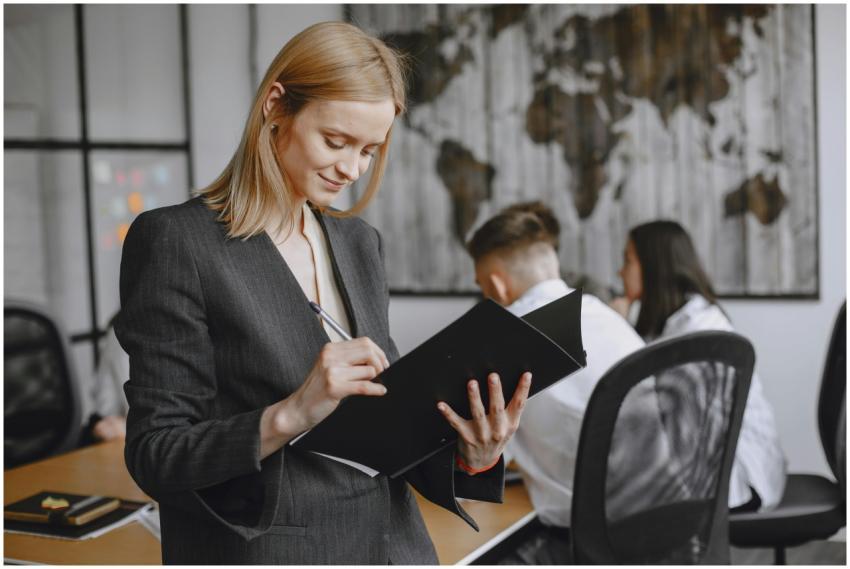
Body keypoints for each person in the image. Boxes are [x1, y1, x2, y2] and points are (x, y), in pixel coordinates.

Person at [115, 22, 532, 564]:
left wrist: (471, 455)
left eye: (369, 150)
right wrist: (292, 413)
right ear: (276, 106)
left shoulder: (359, 243)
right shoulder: (177, 241)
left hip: (394, 546)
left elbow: (390, 425)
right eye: (335, 141)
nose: (351, 168)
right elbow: (157, 454)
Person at [467, 201, 645, 563]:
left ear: (497, 285)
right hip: (654, 518)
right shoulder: (606, 317)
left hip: (579, 534)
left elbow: (473, 464)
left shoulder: (497, 339)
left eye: (483, 285)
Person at [611, 219, 787, 511]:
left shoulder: (699, 331)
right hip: (714, 471)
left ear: (655, 266)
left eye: (627, 260)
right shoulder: (674, 321)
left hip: (736, 479)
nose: (620, 271)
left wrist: (616, 329)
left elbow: (654, 412)